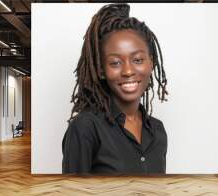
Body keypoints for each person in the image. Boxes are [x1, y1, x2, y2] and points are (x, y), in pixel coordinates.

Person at [62, 3, 168, 174]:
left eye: (138, 60)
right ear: (101, 70)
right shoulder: (85, 128)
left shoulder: (158, 130)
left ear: (152, 64)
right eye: (115, 63)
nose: (127, 71)